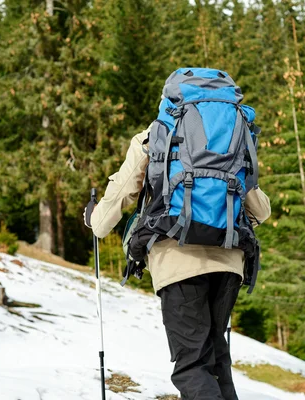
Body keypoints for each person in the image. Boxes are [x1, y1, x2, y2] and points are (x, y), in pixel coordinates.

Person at [87, 104, 271, 398]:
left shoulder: (156, 134)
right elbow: (260, 211)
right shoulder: (234, 138)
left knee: (192, 366)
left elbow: (122, 192)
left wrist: (95, 220)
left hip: (177, 262)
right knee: (216, 362)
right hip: (229, 263)